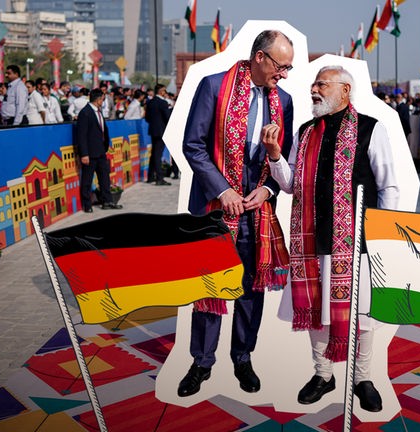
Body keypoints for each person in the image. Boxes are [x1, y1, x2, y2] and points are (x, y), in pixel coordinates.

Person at [266, 65, 398, 412]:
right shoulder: (306, 131)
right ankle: (323, 374)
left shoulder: (370, 128)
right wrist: (275, 155)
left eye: (322, 84)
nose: (314, 89)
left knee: (364, 315)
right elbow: (291, 183)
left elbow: (388, 186)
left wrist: (385, 237)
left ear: (345, 91)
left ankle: (363, 378)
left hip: (358, 241)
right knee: (314, 309)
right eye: (314, 83)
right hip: (310, 239)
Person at [178, 29, 294, 398]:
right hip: (216, 207)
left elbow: (283, 157)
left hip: (256, 211)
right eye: (282, 65)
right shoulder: (214, 86)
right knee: (210, 285)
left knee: (250, 288)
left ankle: (242, 357)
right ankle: (201, 362)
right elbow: (193, 145)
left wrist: (269, 189)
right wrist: (222, 188)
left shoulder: (285, 100)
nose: (285, 74)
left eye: (289, 67)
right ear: (260, 57)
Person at [75, 88, 123, 213]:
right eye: (103, 99)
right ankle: (87, 204)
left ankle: (107, 201)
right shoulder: (85, 113)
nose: (104, 101)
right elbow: (82, 135)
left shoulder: (98, 111)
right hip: (90, 153)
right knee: (87, 179)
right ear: (98, 99)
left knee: (104, 177)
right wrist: (84, 154)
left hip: (101, 151)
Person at [145, 83, 173, 185]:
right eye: (164, 91)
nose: (165, 93)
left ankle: (151, 176)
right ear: (161, 91)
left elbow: (147, 117)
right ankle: (159, 178)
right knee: (157, 154)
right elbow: (168, 117)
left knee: (154, 154)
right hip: (162, 131)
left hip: (153, 130)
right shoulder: (163, 103)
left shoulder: (150, 102)